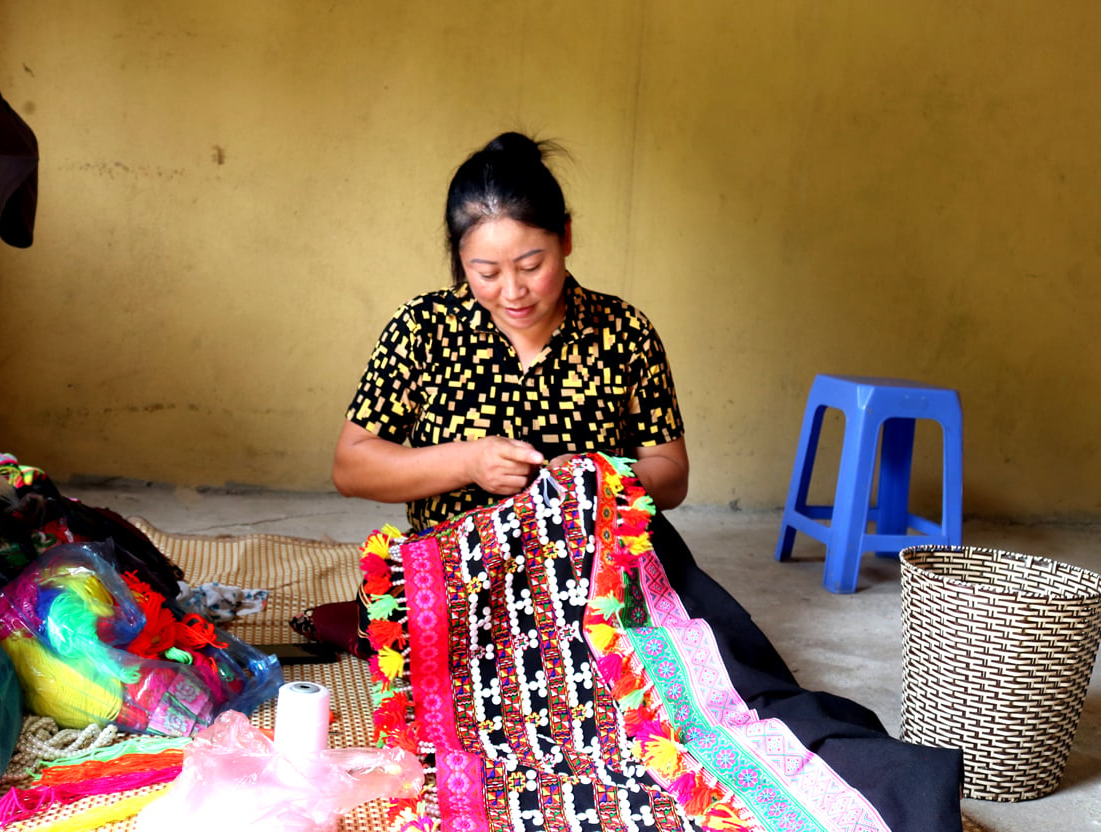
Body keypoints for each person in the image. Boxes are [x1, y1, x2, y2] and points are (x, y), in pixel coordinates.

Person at [332, 132, 964, 831]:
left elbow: (671, 473)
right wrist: (467, 461)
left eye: (531, 263)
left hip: (598, 568)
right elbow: (353, 464)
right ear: (460, 261)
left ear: (567, 238)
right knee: (497, 722)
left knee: (708, 706)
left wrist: (596, 478)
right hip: (467, 576)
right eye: (485, 270)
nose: (511, 290)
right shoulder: (422, 329)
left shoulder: (623, 331)